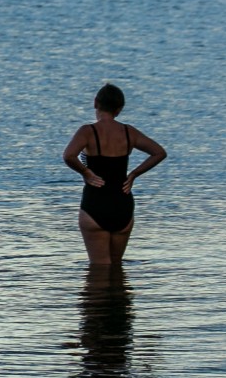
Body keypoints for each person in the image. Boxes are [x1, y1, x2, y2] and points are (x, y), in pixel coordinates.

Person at [63, 83, 166, 266]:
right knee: (117, 267)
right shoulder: (129, 132)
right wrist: (134, 174)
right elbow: (159, 152)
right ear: (119, 109)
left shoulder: (87, 131)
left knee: (99, 268)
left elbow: (68, 156)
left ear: (96, 103)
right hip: (122, 204)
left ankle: (99, 295)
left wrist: (86, 172)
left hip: (95, 204)